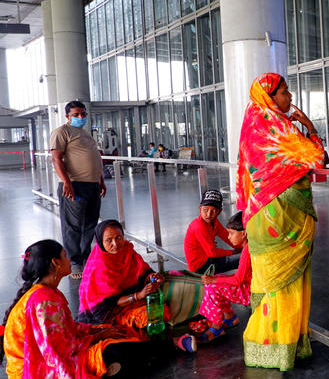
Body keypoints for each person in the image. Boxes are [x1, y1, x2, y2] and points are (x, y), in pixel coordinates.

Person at [237, 72, 325, 371]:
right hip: (285, 218)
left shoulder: (252, 124)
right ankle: (287, 346)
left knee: (269, 281)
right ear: (270, 96)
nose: (289, 98)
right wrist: (309, 126)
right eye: (285, 92)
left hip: (261, 218)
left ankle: (267, 345)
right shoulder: (278, 127)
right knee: (288, 283)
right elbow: (317, 158)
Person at [1, 239, 143, 378]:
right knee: (117, 352)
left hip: (56, 356)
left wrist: (99, 331)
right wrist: (97, 337)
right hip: (38, 369)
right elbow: (56, 354)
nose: (69, 260)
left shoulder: (48, 292)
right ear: (55, 263)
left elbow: (66, 331)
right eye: (65, 256)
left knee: (123, 337)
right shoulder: (44, 302)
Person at [77, 220, 196, 353]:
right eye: (108, 240)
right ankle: (168, 345)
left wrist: (152, 277)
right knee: (147, 317)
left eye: (118, 238)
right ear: (100, 242)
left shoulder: (127, 251)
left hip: (134, 302)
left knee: (162, 310)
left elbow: (143, 271)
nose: (115, 244)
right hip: (111, 315)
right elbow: (104, 307)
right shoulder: (98, 267)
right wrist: (138, 295)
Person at [50, 100, 106, 279]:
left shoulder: (85, 134)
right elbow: (56, 159)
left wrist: (100, 180)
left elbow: (94, 158)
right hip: (74, 185)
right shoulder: (61, 132)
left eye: (83, 114)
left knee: (90, 224)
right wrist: (66, 182)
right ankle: (75, 262)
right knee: (73, 226)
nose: (80, 117)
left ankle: (86, 257)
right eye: (76, 115)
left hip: (92, 185)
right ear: (67, 116)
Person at [194, 211, 252, 343]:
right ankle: (229, 317)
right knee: (217, 281)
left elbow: (238, 280)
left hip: (249, 291)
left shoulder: (247, 252)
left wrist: (214, 279)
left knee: (213, 287)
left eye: (231, 233)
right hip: (248, 286)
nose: (229, 237)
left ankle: (216, 327)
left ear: (243, 233)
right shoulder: (248, 248)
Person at [184, 190, 240, 274]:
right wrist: (233, 252)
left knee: (245, 255)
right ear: (200, 209)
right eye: (205, 210)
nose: (208, 214)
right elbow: (212, 253)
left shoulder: (213, 221)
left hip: (208, 259)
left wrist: (241, 247)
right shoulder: (199, 226)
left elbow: (227, 237)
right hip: (201, 267)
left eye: (213, 211)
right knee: (244, 258)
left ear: (219, 211)